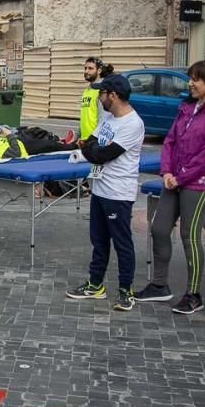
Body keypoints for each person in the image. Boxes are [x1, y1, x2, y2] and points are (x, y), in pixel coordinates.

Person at [136, 59, 205, 315]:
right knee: (159, 229)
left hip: (199, 184)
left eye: (196, 79)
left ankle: (194, 295)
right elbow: (170, 140)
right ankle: (159, 285)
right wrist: (167, 171)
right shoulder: (187, 107)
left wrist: (181, 177)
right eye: (190, 78)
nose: (190, 83)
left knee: (189, 236)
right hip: (174, 179)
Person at [65, 74, 145, 312]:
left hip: (119, 192)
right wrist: (93, 148)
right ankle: (95, 283)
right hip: (100, 187)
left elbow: (101, 154)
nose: (99, 97)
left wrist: (93, 149)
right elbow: (89, 143)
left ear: (113, 95)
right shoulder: (108, 117)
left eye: (102, 93)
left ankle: (125, 290)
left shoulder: (133, 123)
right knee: (98, 240)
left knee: (122, 242)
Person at [79, 58, 114, 143]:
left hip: (95, 140)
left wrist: (92, 140)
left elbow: (103, 120)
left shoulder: (102, 90)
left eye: (90, 68)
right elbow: (84, 117)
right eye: (85, 68)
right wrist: (77, 136)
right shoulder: (87, 91)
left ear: (99, 70)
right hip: (85, 140)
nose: (86, 71)